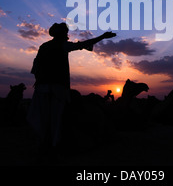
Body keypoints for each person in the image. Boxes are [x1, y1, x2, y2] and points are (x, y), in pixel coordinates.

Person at [27, 22, 116, 161]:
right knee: (56, 121)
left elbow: (35, 68)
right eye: (65, 32)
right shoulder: (62, 45)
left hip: (41, 89)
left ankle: (43, 146)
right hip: (57, 90)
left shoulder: (44, 47)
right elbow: (82, 44)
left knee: (42, 119)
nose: (67, 35)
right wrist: (103, 37)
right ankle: (54, 148)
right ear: (62, 34)